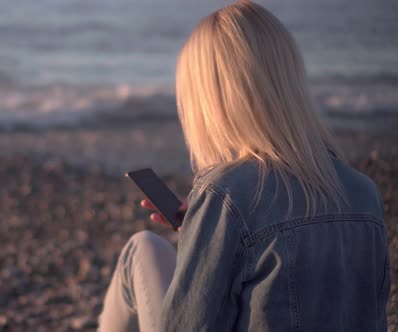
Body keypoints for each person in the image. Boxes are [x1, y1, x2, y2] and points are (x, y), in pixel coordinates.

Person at [98, 1, 390, 331]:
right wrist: (203, 232)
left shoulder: (225, 193)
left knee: (142, 249)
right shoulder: (364, 192)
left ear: (210, 100)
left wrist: (214, 226)